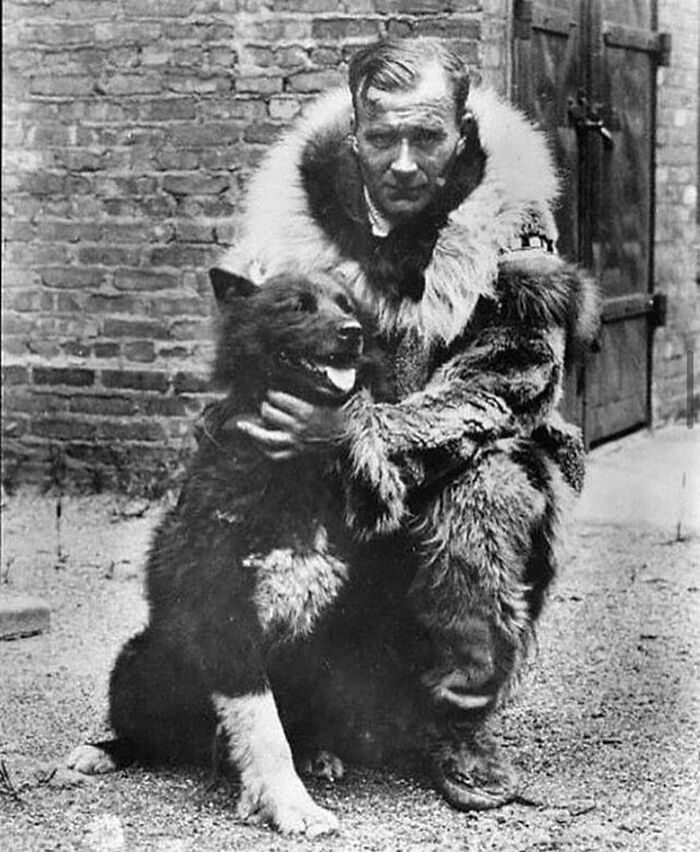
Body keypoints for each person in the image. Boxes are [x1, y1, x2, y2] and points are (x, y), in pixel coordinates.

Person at [211, 36, 599, 809]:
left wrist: (362, 437)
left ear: (461, 131)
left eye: (427, 137)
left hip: (462, 451)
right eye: (383, 137)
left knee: (491, 491)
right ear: (355, 132)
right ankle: (283, 686)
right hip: (341, 450)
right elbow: (249, 353)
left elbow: (511, 383)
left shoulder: (513, 219)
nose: (404, 163)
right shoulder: (295, 213)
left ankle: (458, 719)